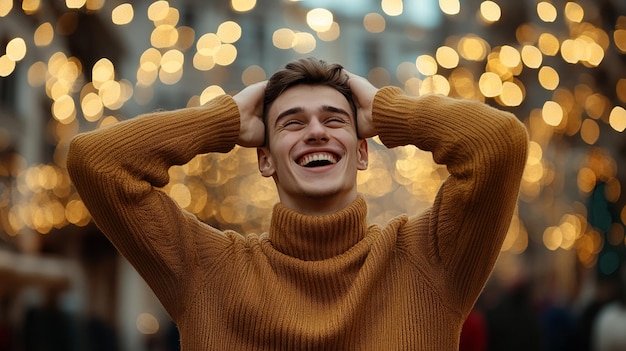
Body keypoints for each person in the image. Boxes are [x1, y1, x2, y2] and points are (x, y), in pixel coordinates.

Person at [67, 57, 528, 350]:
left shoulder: (428, 260)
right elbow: (98, 162)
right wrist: (224, 120)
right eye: (292, 123)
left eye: (335, 120)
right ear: (264, 159)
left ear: (363, 150)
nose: (316, 131)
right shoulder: (208, 270)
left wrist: (386, 111)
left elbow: (498, 144)